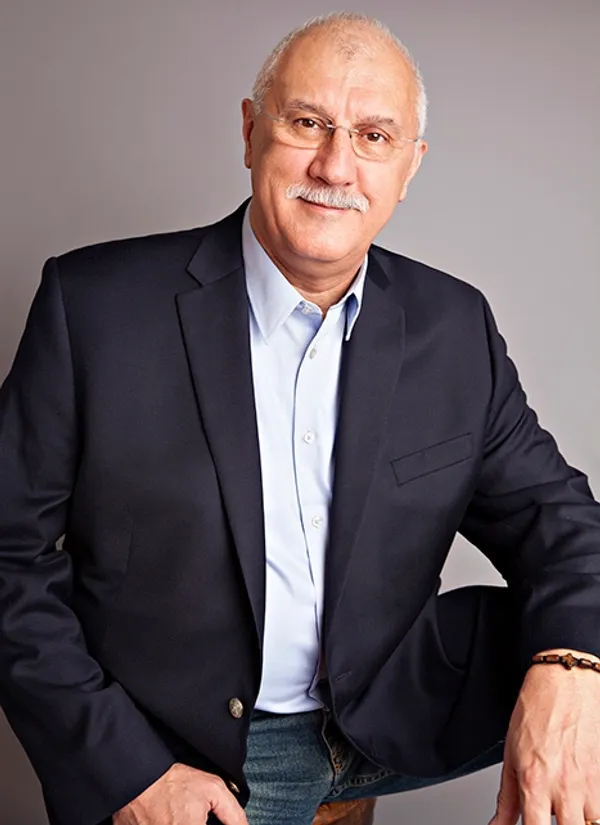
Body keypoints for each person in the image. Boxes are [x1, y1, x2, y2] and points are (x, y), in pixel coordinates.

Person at [1, 11, 600, 825]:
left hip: (394, 716)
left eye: (374, 136)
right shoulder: (94, 308)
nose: (335, 165)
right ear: (251, 132)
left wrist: (571, 667)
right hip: (189, 753)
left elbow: (561, 522)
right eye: (307, 122)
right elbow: (6, 558)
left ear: (411, 165)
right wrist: (129, 772)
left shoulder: (453, 325)